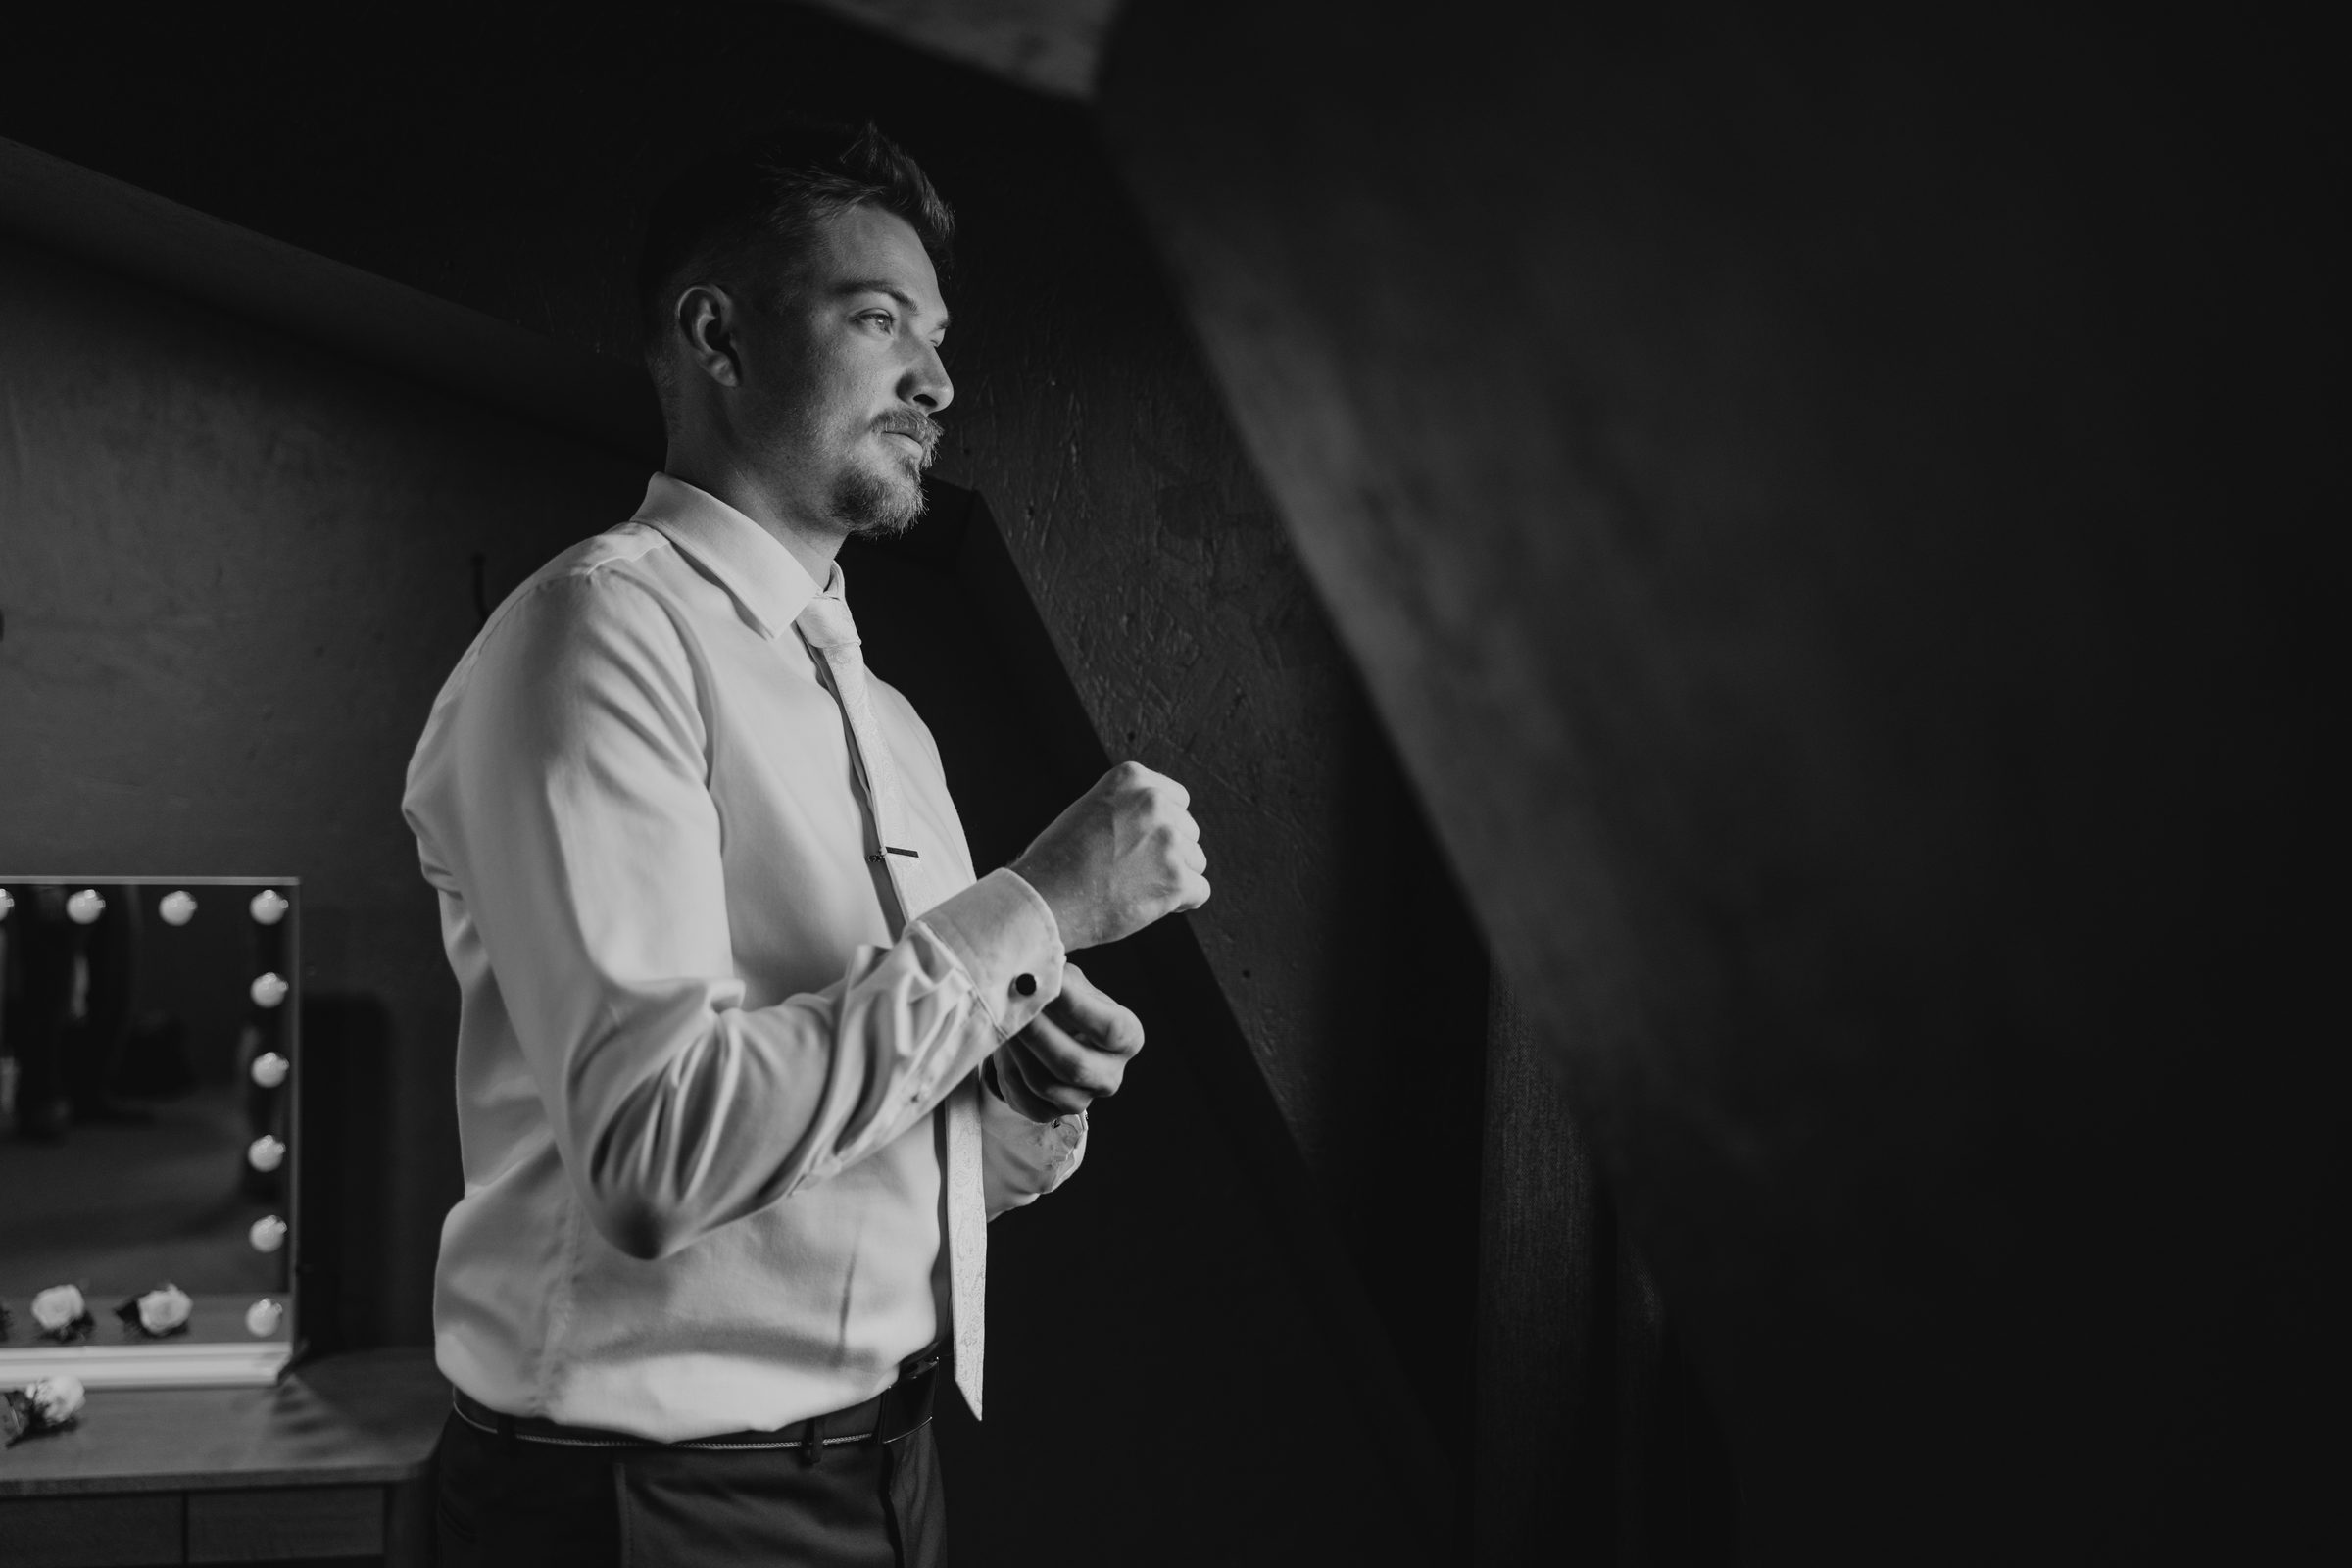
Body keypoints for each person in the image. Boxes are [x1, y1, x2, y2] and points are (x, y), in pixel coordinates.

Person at [403, 122, 1211, 1567]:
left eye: (941, 337)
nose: (939, 382)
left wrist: (1019, 1095)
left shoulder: (886, 717)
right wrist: (1036, 909)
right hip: (642, 1512)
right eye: (878, 319)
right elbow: (656, 1158)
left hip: (884, 1476)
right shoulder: (597, 638)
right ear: (716, 335)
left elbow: (872, 1167)